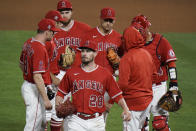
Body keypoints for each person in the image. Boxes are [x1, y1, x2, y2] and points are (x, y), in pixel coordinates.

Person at [55, 40, 131, 131]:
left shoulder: (105, 74)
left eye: (88, 51)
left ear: (95, 53)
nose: (84, 54)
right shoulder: (71, 73)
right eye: (83, 51)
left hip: (97, 121)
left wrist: (126, 109)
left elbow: (117, 94)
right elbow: (60, 93)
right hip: (76, 120)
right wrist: (57, 105)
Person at [131, 14, 179, 131]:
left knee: (160, 124)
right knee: (141, 125)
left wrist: (174, 84)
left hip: (158, 88)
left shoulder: (161, 42)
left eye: (139, 30)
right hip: (141, 89)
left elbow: (171, 63)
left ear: (147, 28)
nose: (137, 32)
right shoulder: (132, 44)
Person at [50, 0, 92, 130]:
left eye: (67, 12)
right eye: (61, 13)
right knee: (58, 111)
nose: (64, 16)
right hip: (60, 74)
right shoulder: (52, 32)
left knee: (79, 109)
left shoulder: (84, 29)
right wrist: (53, 76)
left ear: (71, 12)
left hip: (80, 73)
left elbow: (93, 50)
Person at [82, 7, 124, 122]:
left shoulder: (119, 38)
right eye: (106, 20)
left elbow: (124, 61)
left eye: (111, 21)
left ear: (114, 21)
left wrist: (119, 61)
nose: (108, 23)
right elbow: (81, 58)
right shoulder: (89, 35)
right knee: (86, 113)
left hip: (109, 81)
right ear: (100, 19)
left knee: (102, 116)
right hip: (91, 80)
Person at [19, 18, 60, 131]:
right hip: (35, 88)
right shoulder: (39, 48)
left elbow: (21, 64)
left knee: (42, 123)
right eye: (52, 32)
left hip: (30, 85)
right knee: (33, 125)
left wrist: (29, 76)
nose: (53, 34)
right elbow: (37, 76)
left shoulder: (28, 42)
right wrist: (46, 99)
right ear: (47, 32)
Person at [118, 23, 156, 131]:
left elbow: (123, 84)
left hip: (133, 103)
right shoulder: (146, 54)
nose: (123, 42)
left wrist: (111, 88)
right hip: (148, 100)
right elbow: (153, 75)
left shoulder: (127, 57)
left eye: (124, 39)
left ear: (129, 40)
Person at [44, 10, 67, 131]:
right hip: (47, 82)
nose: (61, 25)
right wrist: (54, 79)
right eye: (58, 22)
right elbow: (41, 65)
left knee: (55, 114)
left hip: (52, 79)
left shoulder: (52, 40)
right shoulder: (46, 42)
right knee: (45, 116)